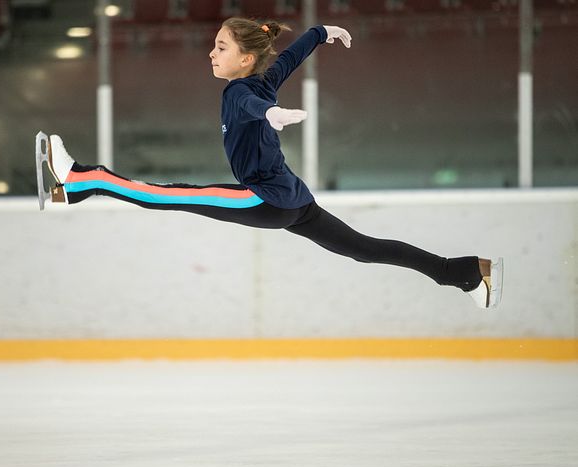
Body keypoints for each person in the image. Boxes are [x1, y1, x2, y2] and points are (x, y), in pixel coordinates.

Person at [35, 17, 503, 309]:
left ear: (245, 59)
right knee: (365, 248)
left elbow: (250, 107)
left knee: (166, 195)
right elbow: (291, 59)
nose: (211, 52)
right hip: (293, 200)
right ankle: (462, 272)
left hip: (264, 196)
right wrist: (320, 33)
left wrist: (271, 114)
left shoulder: (242, 92)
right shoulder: (260, 81)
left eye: (220, 47)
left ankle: (79, 179)